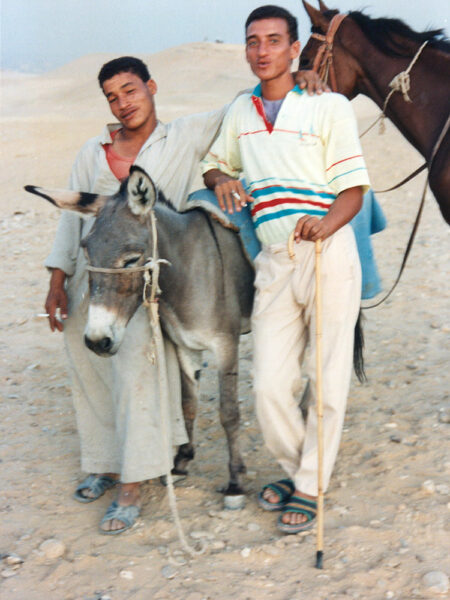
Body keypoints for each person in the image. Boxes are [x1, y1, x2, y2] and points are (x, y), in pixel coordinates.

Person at [44, 55, 326, 534]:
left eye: (130, 90)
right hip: (97, 270)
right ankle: (106, 461)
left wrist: (289, 78)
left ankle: (132, 482)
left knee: (133, 357)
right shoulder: (93, 151)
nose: (123, 102)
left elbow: (241, 104)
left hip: (147, 274)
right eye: (113, 96)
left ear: (151, 87)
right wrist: (57, 279)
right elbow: (74, 217)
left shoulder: (184, 135)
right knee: (81, 348)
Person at [202, 5, 370, 533]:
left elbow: (354, 189)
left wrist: (326, 224)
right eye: (253, 41)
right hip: (273, 261)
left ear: (295, 48)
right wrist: (218, 181)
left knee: (326, 376)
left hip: (326, 253)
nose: (262, 50)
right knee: (269, 386)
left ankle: (309, 486)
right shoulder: (240, 112)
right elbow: (215, 162)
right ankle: (304, 472)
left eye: (274, 40)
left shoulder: (327, 107)